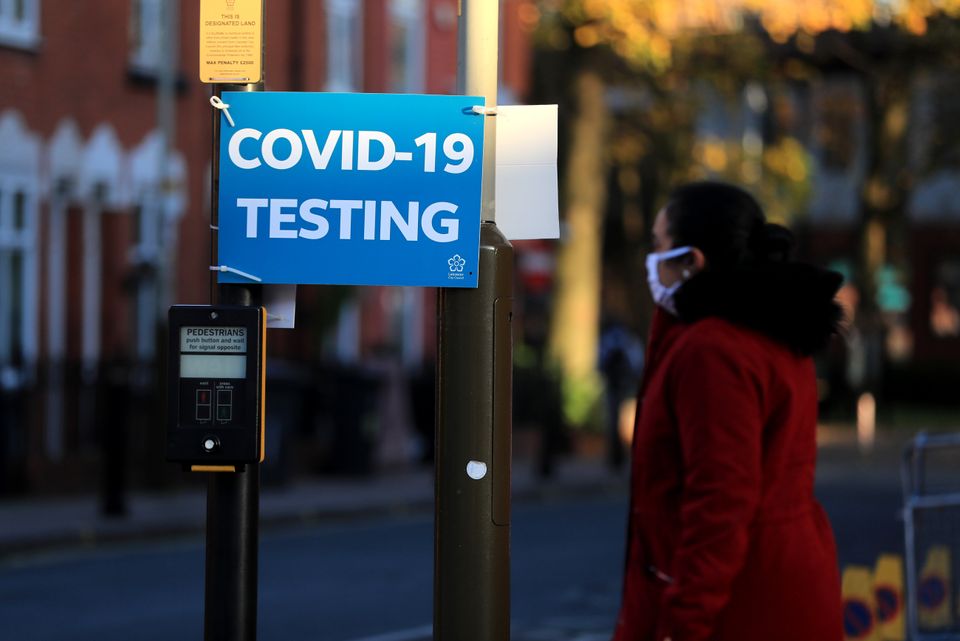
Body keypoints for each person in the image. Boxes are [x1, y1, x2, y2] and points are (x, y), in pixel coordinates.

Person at [612, 181, 844, 641]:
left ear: (691, 261)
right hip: (780, 584)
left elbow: (720, 502)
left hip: (743, 605)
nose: (649, 260)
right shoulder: (771, 331)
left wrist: (683, 625)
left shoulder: (713, 351)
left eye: (658, 245)